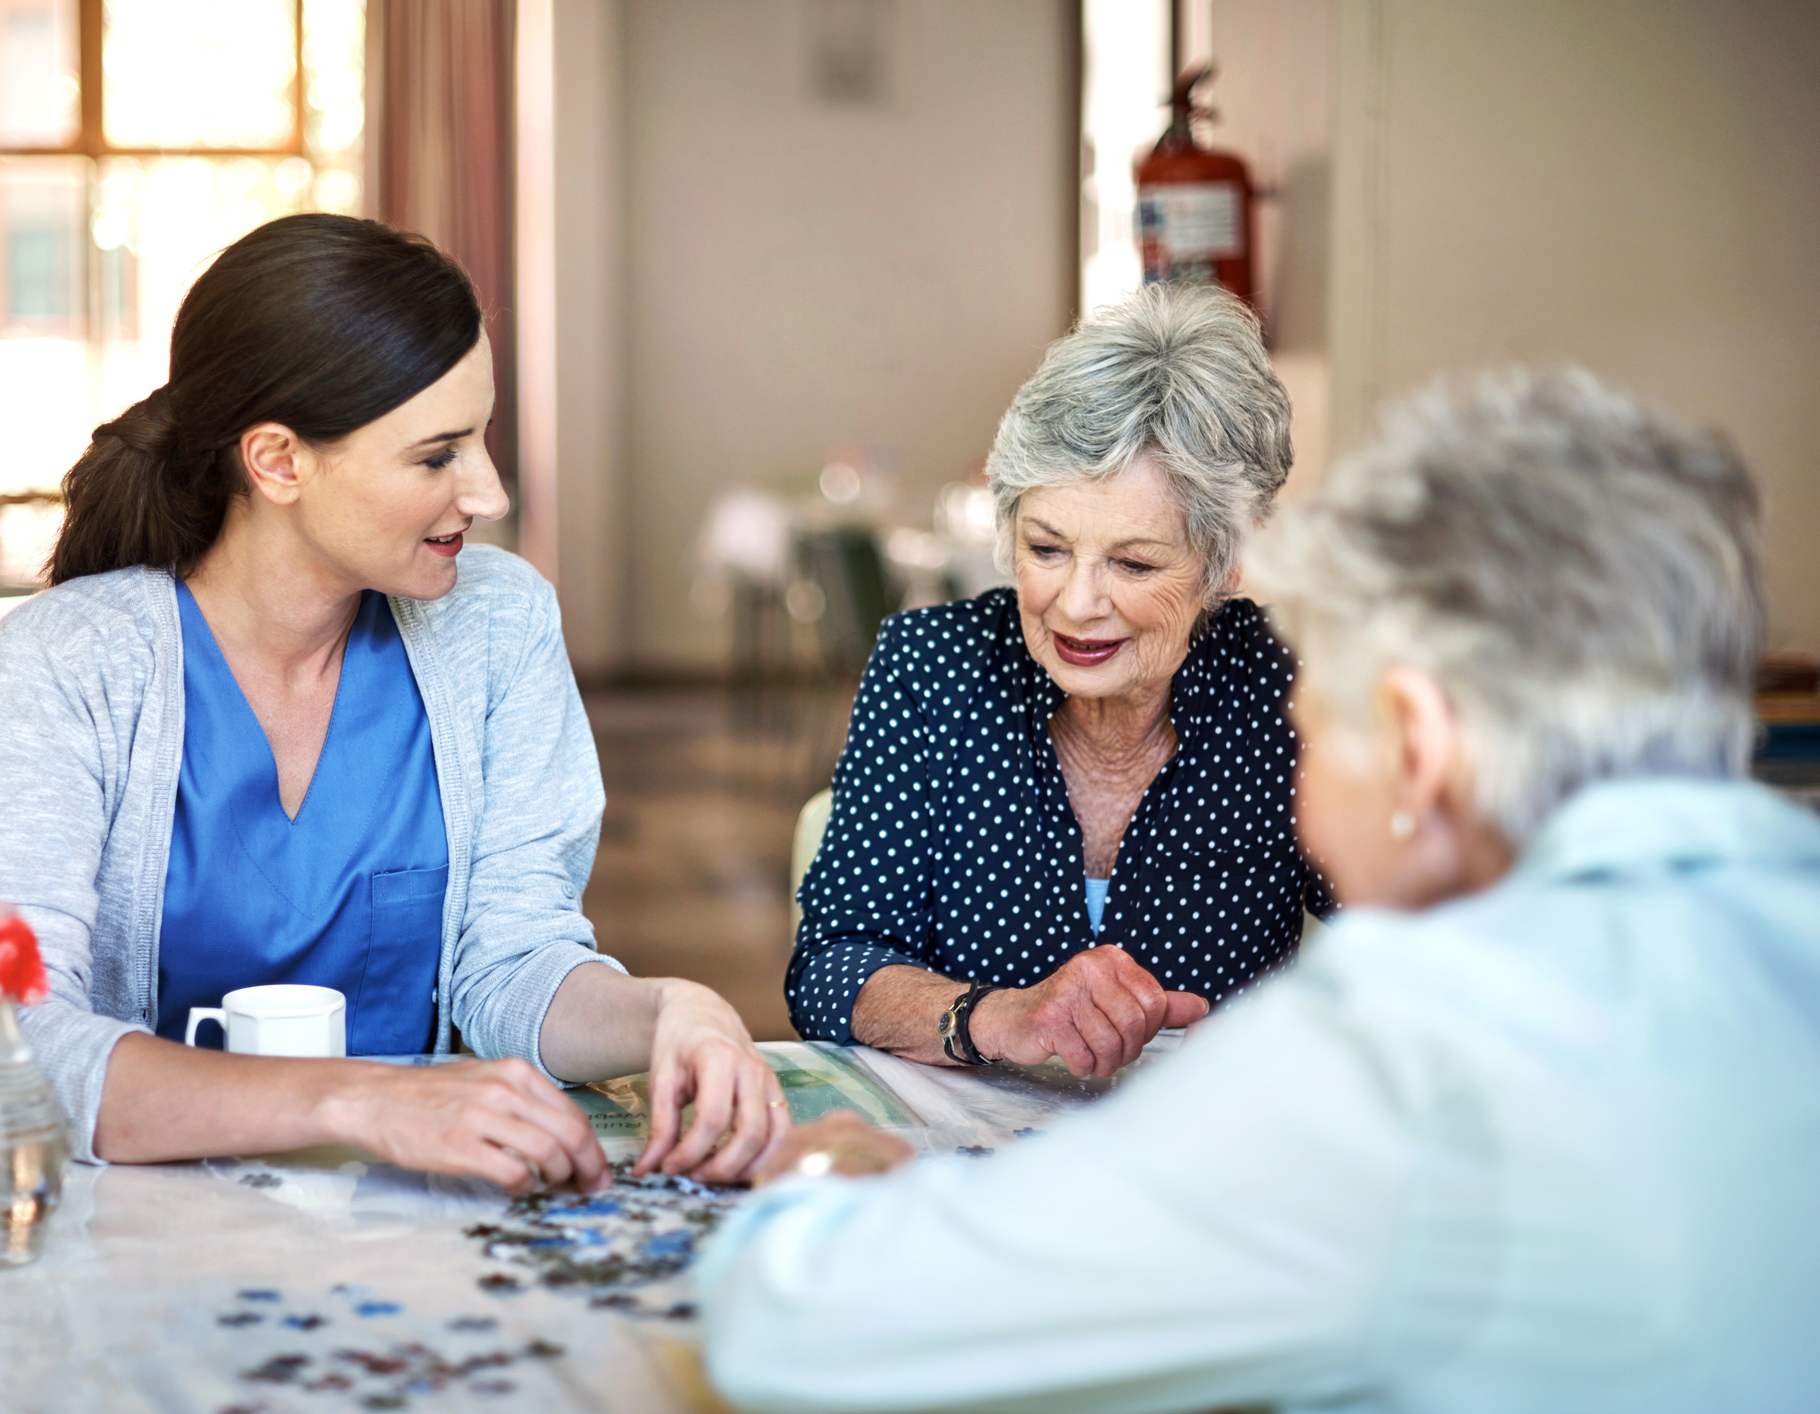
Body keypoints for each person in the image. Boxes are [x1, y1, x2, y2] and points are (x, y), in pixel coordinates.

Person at [699, 368, 1820, 1411]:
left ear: (1416, 747)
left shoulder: (1389, 1067)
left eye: (1318, 724)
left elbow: (797, 1320)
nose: (1296, 761)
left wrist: (822, 1181)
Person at [0, 214, 786, 1191]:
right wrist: (354, 1102)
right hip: (128, 1219)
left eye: (483, 439)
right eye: (438, 456)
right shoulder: (67, 663)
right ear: (278, 462)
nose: (490, 492)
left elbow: (509, 957)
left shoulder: (497, 624)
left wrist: (671, 1010)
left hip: (403, 1217)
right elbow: (2, 1028)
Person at [788, 283, 1328, 1077]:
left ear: (1225, 565)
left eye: (1132, 563)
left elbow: (1428, 950)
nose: (1075, 606)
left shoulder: (1290, 697)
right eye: (1046, 549)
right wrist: (993, 1015)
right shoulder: (930, 670)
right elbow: (830, 967)